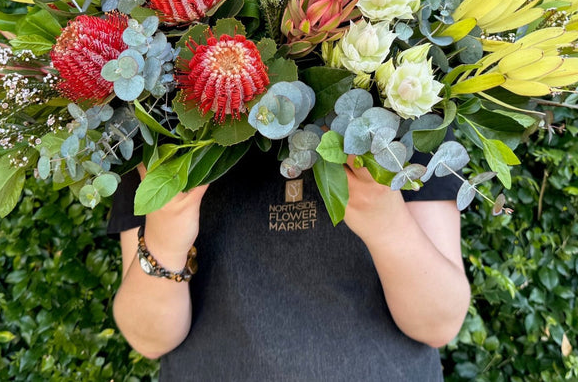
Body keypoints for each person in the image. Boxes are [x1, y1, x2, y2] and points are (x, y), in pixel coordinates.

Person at [107, 142, 471, 381]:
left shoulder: (405, 91)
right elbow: (149, 339)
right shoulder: (159, 112)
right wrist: (165, 238)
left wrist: (386, 224)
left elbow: (438, 324)